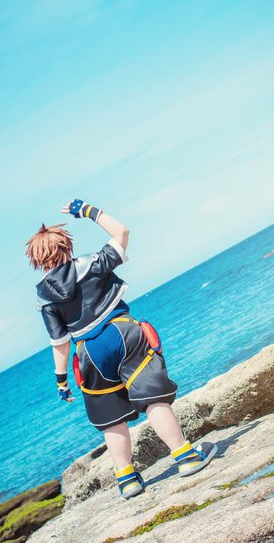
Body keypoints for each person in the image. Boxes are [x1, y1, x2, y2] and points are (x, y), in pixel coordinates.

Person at [26, 198, 216, 499]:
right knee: (153, 400)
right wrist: (87, 211)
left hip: (89, 353)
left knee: (112, 419)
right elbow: (122, 232)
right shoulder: (91, 264)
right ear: (65, 246)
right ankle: (186, 457)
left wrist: (61, 380)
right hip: (123, 333)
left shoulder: (44, 297)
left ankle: (128, 481)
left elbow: (60, 342)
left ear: (37, 260)